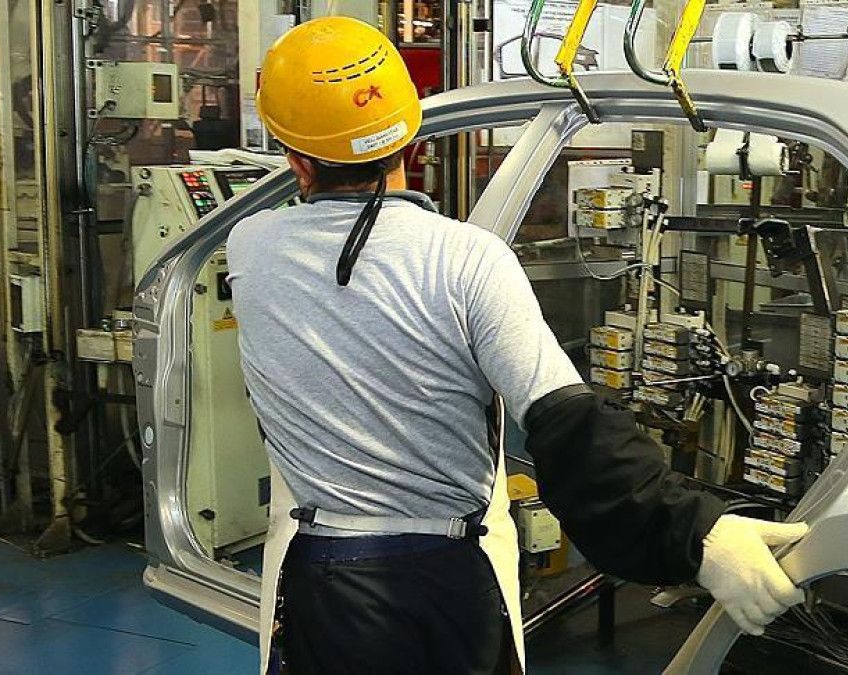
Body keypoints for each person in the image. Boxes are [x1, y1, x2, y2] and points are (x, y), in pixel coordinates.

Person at [226, 16, 808, 675]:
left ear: (296, 158)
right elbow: (566, 420)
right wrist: (698, 533)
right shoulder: (466, 259)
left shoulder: (250, 249)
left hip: (323, 575)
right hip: (446, 578)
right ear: (408, 137)